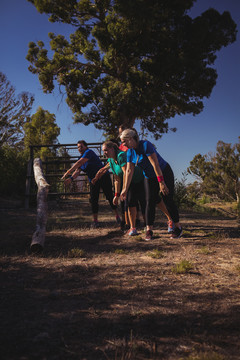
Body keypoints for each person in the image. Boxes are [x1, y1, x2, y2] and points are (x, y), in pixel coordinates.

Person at [120, 129, 183, 241]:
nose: (122, 144)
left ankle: (178, 227)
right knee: (149, 201)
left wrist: (162, 182)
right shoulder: (130, 152)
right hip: (149, 176)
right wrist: (125, 189)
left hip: (163, 173)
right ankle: (149, 230)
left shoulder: (145, 145)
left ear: (130, 139)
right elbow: (129, 171)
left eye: (123, 141)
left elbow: (155, 164)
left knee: (167, 199)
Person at [61, 140, 120, 228]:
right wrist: (71, 178)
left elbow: (79, 163)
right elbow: (78, 170)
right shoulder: (80, 158)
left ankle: (117, 216)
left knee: (109, 196)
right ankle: (95, 221)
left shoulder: (89, 152)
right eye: (78, 147)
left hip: (103, 176)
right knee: (94, 199)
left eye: (81, 146)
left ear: (86, 146)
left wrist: (68, 171)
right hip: (93, 180)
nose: (79, 149)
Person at [92, 141, 146, 236]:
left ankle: (149, 224)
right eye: (103, 151)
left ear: (112, 149)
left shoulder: (121, 155)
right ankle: (133, 228)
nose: (104, 152)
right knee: (130, 203)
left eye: (106, 150)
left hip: (139, 179)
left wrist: (124, 189)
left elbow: (126, 173)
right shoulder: (111, 160)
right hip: (130, 182)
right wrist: (116, 195)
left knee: (147, 201)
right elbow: (117, 179)